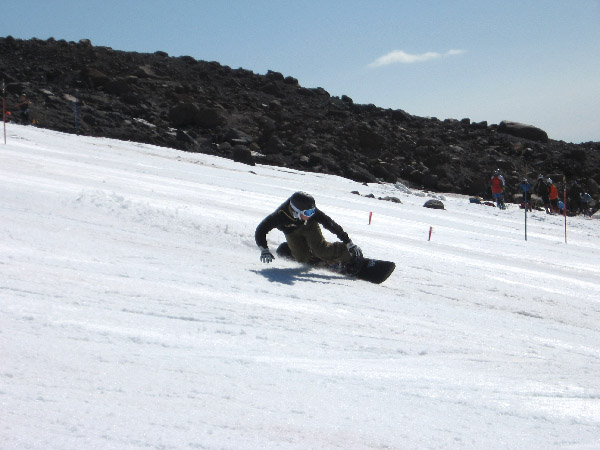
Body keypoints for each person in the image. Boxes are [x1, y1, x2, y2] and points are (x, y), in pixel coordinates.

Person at [255, 191, 364, 274]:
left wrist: (347, 241)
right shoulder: (280, 216)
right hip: (291, 233)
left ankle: (350, 255)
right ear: (296, 211)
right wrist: (264, 248)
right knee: (302, 258)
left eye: (312, 211)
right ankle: (293, 251)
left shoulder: (311, 216)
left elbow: (330, 224)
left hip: (309, 226)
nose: (311, 214)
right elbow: (261, 230)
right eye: (308, 212)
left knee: (321, 250)